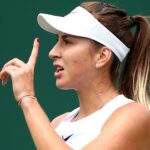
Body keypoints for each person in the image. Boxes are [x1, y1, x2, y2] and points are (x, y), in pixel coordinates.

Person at [0, 1, 150, 150]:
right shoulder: (58, 124)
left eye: (67, 41)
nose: (52, 52)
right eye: (57, 40)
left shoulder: (134, 116)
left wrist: (27, 99)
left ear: (102, 56)